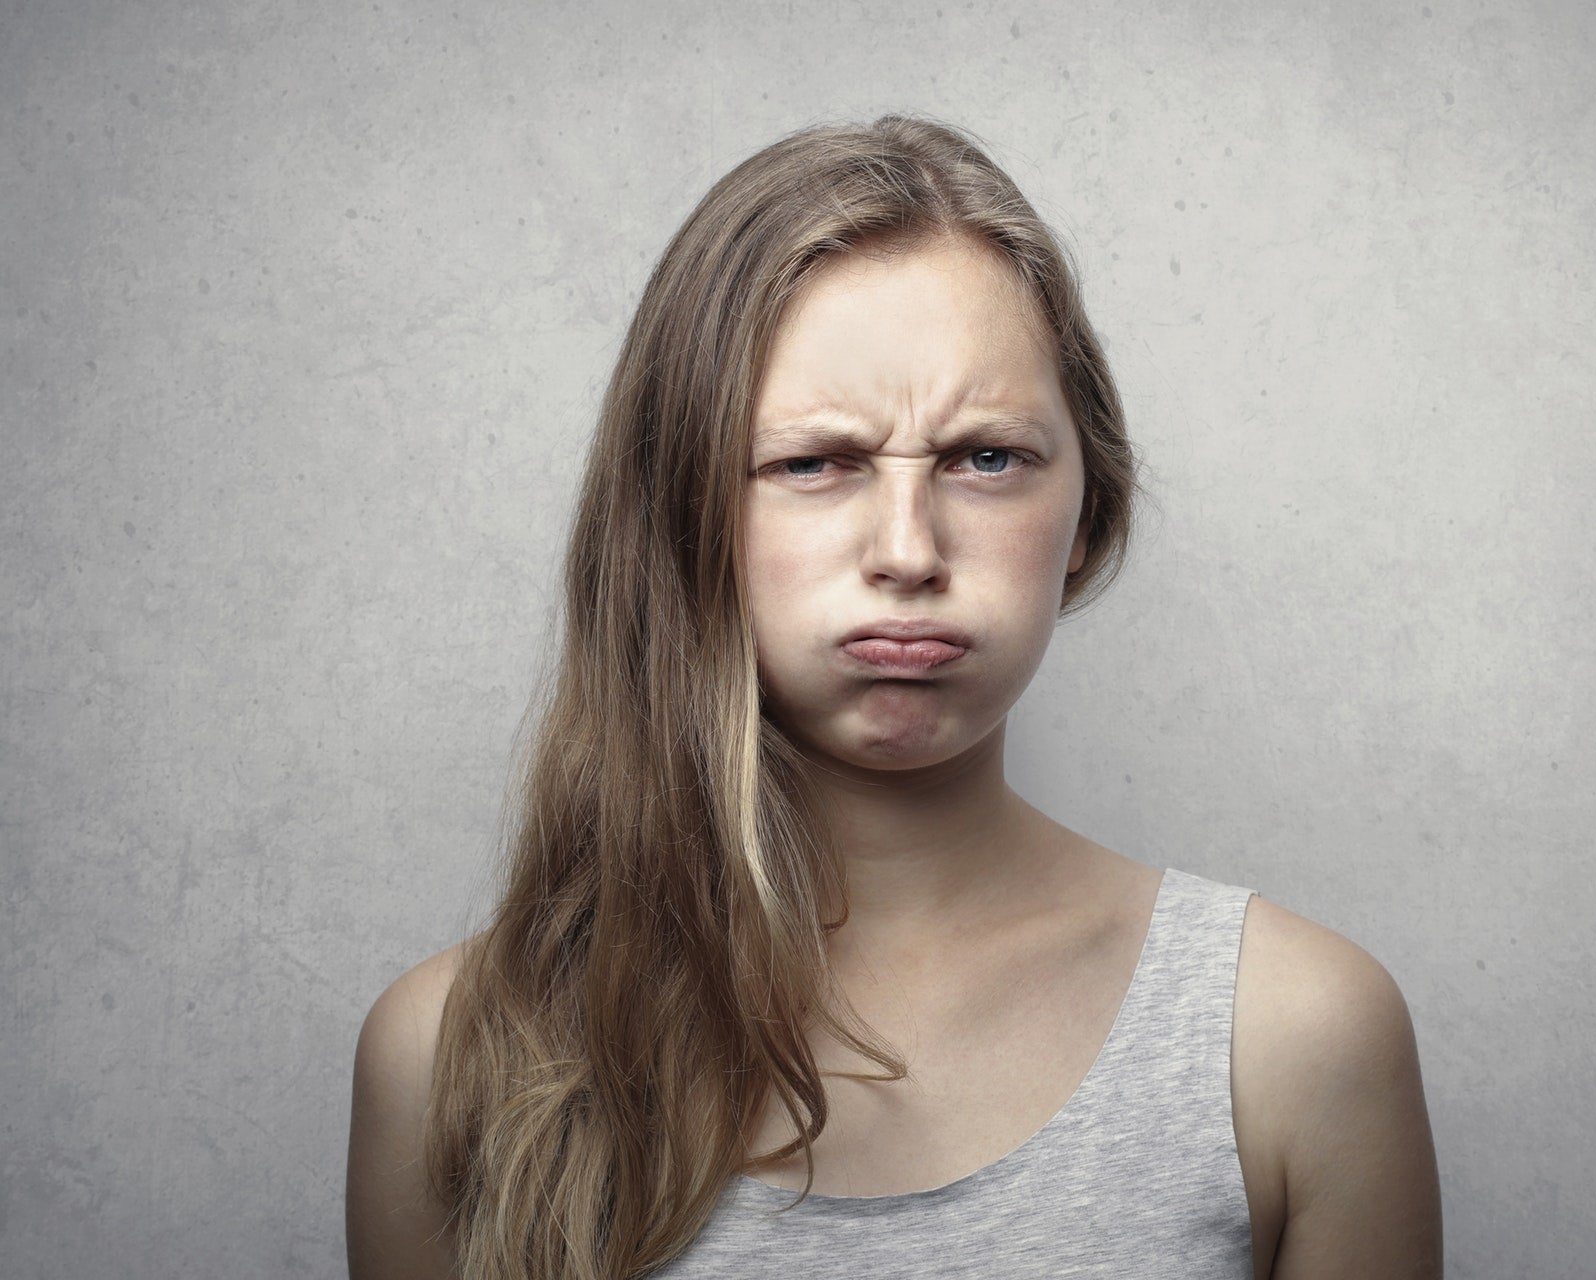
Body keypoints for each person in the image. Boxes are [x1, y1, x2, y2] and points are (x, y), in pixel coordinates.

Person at [346, 114, 1442, 1279]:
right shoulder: (450, 1053)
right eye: (815, 461)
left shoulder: (1292, 1036)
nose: (909, 549)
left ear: (1090, 516)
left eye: (987, 457)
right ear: (679, 513)